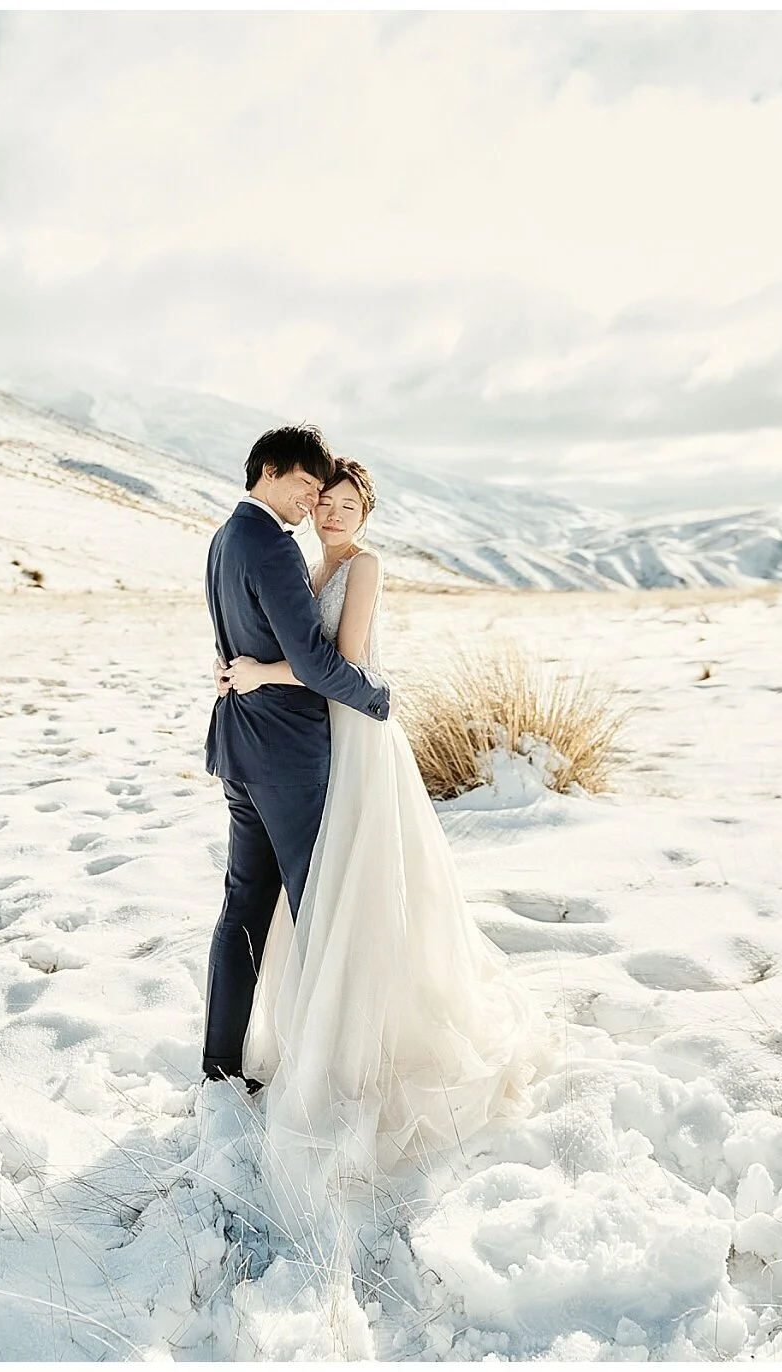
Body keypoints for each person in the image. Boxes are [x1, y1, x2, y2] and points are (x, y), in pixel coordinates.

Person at [216, 455, 547, 1236]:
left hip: (356, 738)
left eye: (346, 505)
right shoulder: (298, 560)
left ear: (367, 516)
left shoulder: (362, 569)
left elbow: (345, 665)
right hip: (311, 743)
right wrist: (249, 671)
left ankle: (364, 1044)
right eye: (324, 500)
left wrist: (260, 673)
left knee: (354, 889)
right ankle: (310, 1034)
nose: (331, 513)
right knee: (326, 891)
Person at [201, 425, 393, 1093]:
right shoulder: (277, 549)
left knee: (245, 909)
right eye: (308, 487)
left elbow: (239, 641)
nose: (313, 503)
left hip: (241, 748)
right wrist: (375, 693)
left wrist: (246, 674)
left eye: (327, 493)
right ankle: (326, 1074)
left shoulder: (225, 537)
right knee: (320, 912)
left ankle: (220, 1069)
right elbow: (317, 663)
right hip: (288, 755)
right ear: (270, 471)